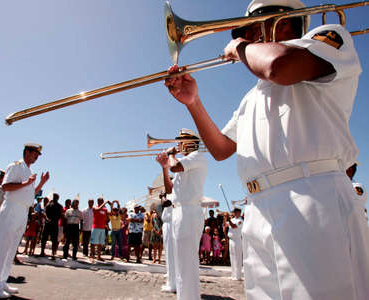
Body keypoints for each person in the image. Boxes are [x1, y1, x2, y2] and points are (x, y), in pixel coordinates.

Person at [164, 0, 369, 299]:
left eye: (250, 31)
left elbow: (278, 65)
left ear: (282, 23)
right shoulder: (252, 97)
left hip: (313, 198)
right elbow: (221, 149)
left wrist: (238, 46)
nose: (247, 39)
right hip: (259, 208)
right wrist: (193, 102)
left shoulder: (330, 37)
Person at [0, 143, 49, 299]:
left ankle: (2, 282)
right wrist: (27, 183)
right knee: (2, 247)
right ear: (27, 152)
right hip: (11, 208)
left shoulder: (29, 171)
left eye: (38, 155)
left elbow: (30, 193)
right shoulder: (15, 166)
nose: (36, 156)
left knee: (11, 248)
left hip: (23, 210)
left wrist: (41, 183)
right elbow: (6, 186)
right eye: (35, 153)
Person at [156, 128, 207, 300]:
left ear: (191, 142)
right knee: (180, 262)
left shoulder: (196, 157)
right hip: (180, 211)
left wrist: (170, 155)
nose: (177, 145)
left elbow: (175, 167)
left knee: (187, 262)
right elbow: (170, 189)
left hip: (189, 210)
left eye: (180, 142)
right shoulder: (184, 161)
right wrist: (164, 168)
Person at [160, 192, 176, 293]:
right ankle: (171, 281)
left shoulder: (172, 195)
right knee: (168, 254)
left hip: (171, 224)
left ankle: (172, 284)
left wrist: (162, 196)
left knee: (171, 255)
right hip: (167, 224)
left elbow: (165, 203)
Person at [40, 193, 63, 259]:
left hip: (55, 224)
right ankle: (42, 252)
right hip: (47, 224)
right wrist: (46, 218)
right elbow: (44, 212)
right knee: (44, 238)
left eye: (56, 197)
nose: (55, 198)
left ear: (58, 198)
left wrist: (54, 220)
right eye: (54, 197)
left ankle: (53, 253)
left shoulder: (59, 206)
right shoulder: (48, 205)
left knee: (54, 240)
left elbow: (60, 215)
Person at [90, 197, 109, 262]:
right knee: (93, 243)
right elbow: (98, 209)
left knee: (100, 243)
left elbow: (108, 217)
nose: (101, 202)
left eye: (102, 201)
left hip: (102, 228)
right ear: (97, 201)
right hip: (95, 227)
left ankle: (98, 256)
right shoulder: (95, 207)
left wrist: (111, 206)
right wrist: (105, 202)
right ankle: (92, 256)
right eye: (100, 201)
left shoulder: (105, 209)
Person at [227, 208, 243, 280]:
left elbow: (233, 226)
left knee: (237, 258)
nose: (234, 213)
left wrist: (228, 219)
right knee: (232, 257)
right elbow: (225, 225)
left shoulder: (240, 220)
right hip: (231, 240)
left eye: (235, 212)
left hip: (237, 240)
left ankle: (238, 276)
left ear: (239, 212)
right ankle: (233, 275)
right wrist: (225, 218)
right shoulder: (232, 219)